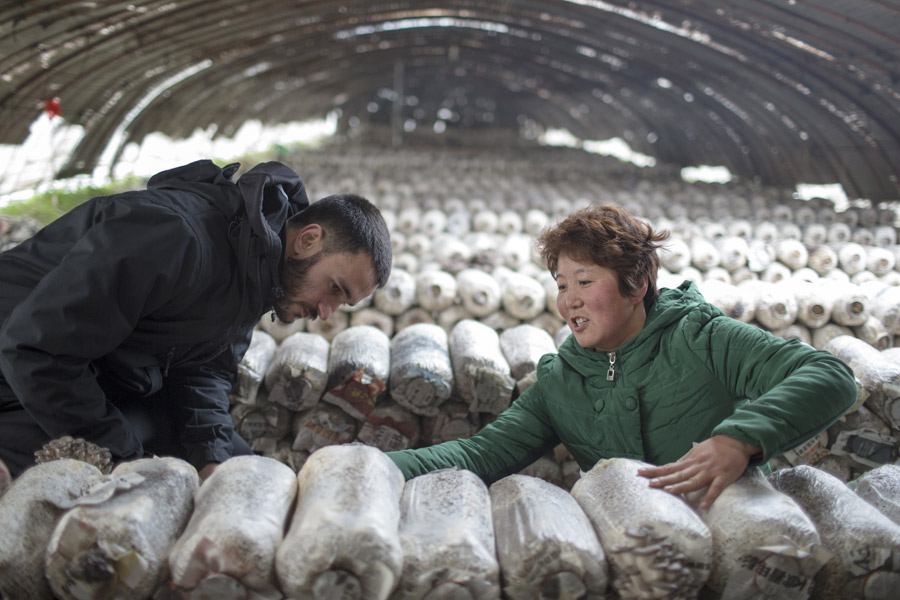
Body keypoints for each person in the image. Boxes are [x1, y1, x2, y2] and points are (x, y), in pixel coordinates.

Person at [388, 204, 856, 508]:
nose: (568, 299)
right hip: (639, 554)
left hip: (734, 532)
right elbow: (481, 453)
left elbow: (829, 375)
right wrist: (372, 468)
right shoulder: (561, 381)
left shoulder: (701, 338)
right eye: (562, 285)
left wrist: (740, 439)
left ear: (636, 285)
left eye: (585, 282)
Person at [0, 159, 392, 480]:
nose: (326, 313)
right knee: (87, 497)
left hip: (94, 373)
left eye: (344, 304)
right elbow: (38, 350)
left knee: (242, 474)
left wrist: (212, 456)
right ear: (308, 239)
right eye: (335, 289)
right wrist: (124, 461)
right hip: (19, 373)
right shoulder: (176, 237)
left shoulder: (258, 267)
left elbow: (205, 368)